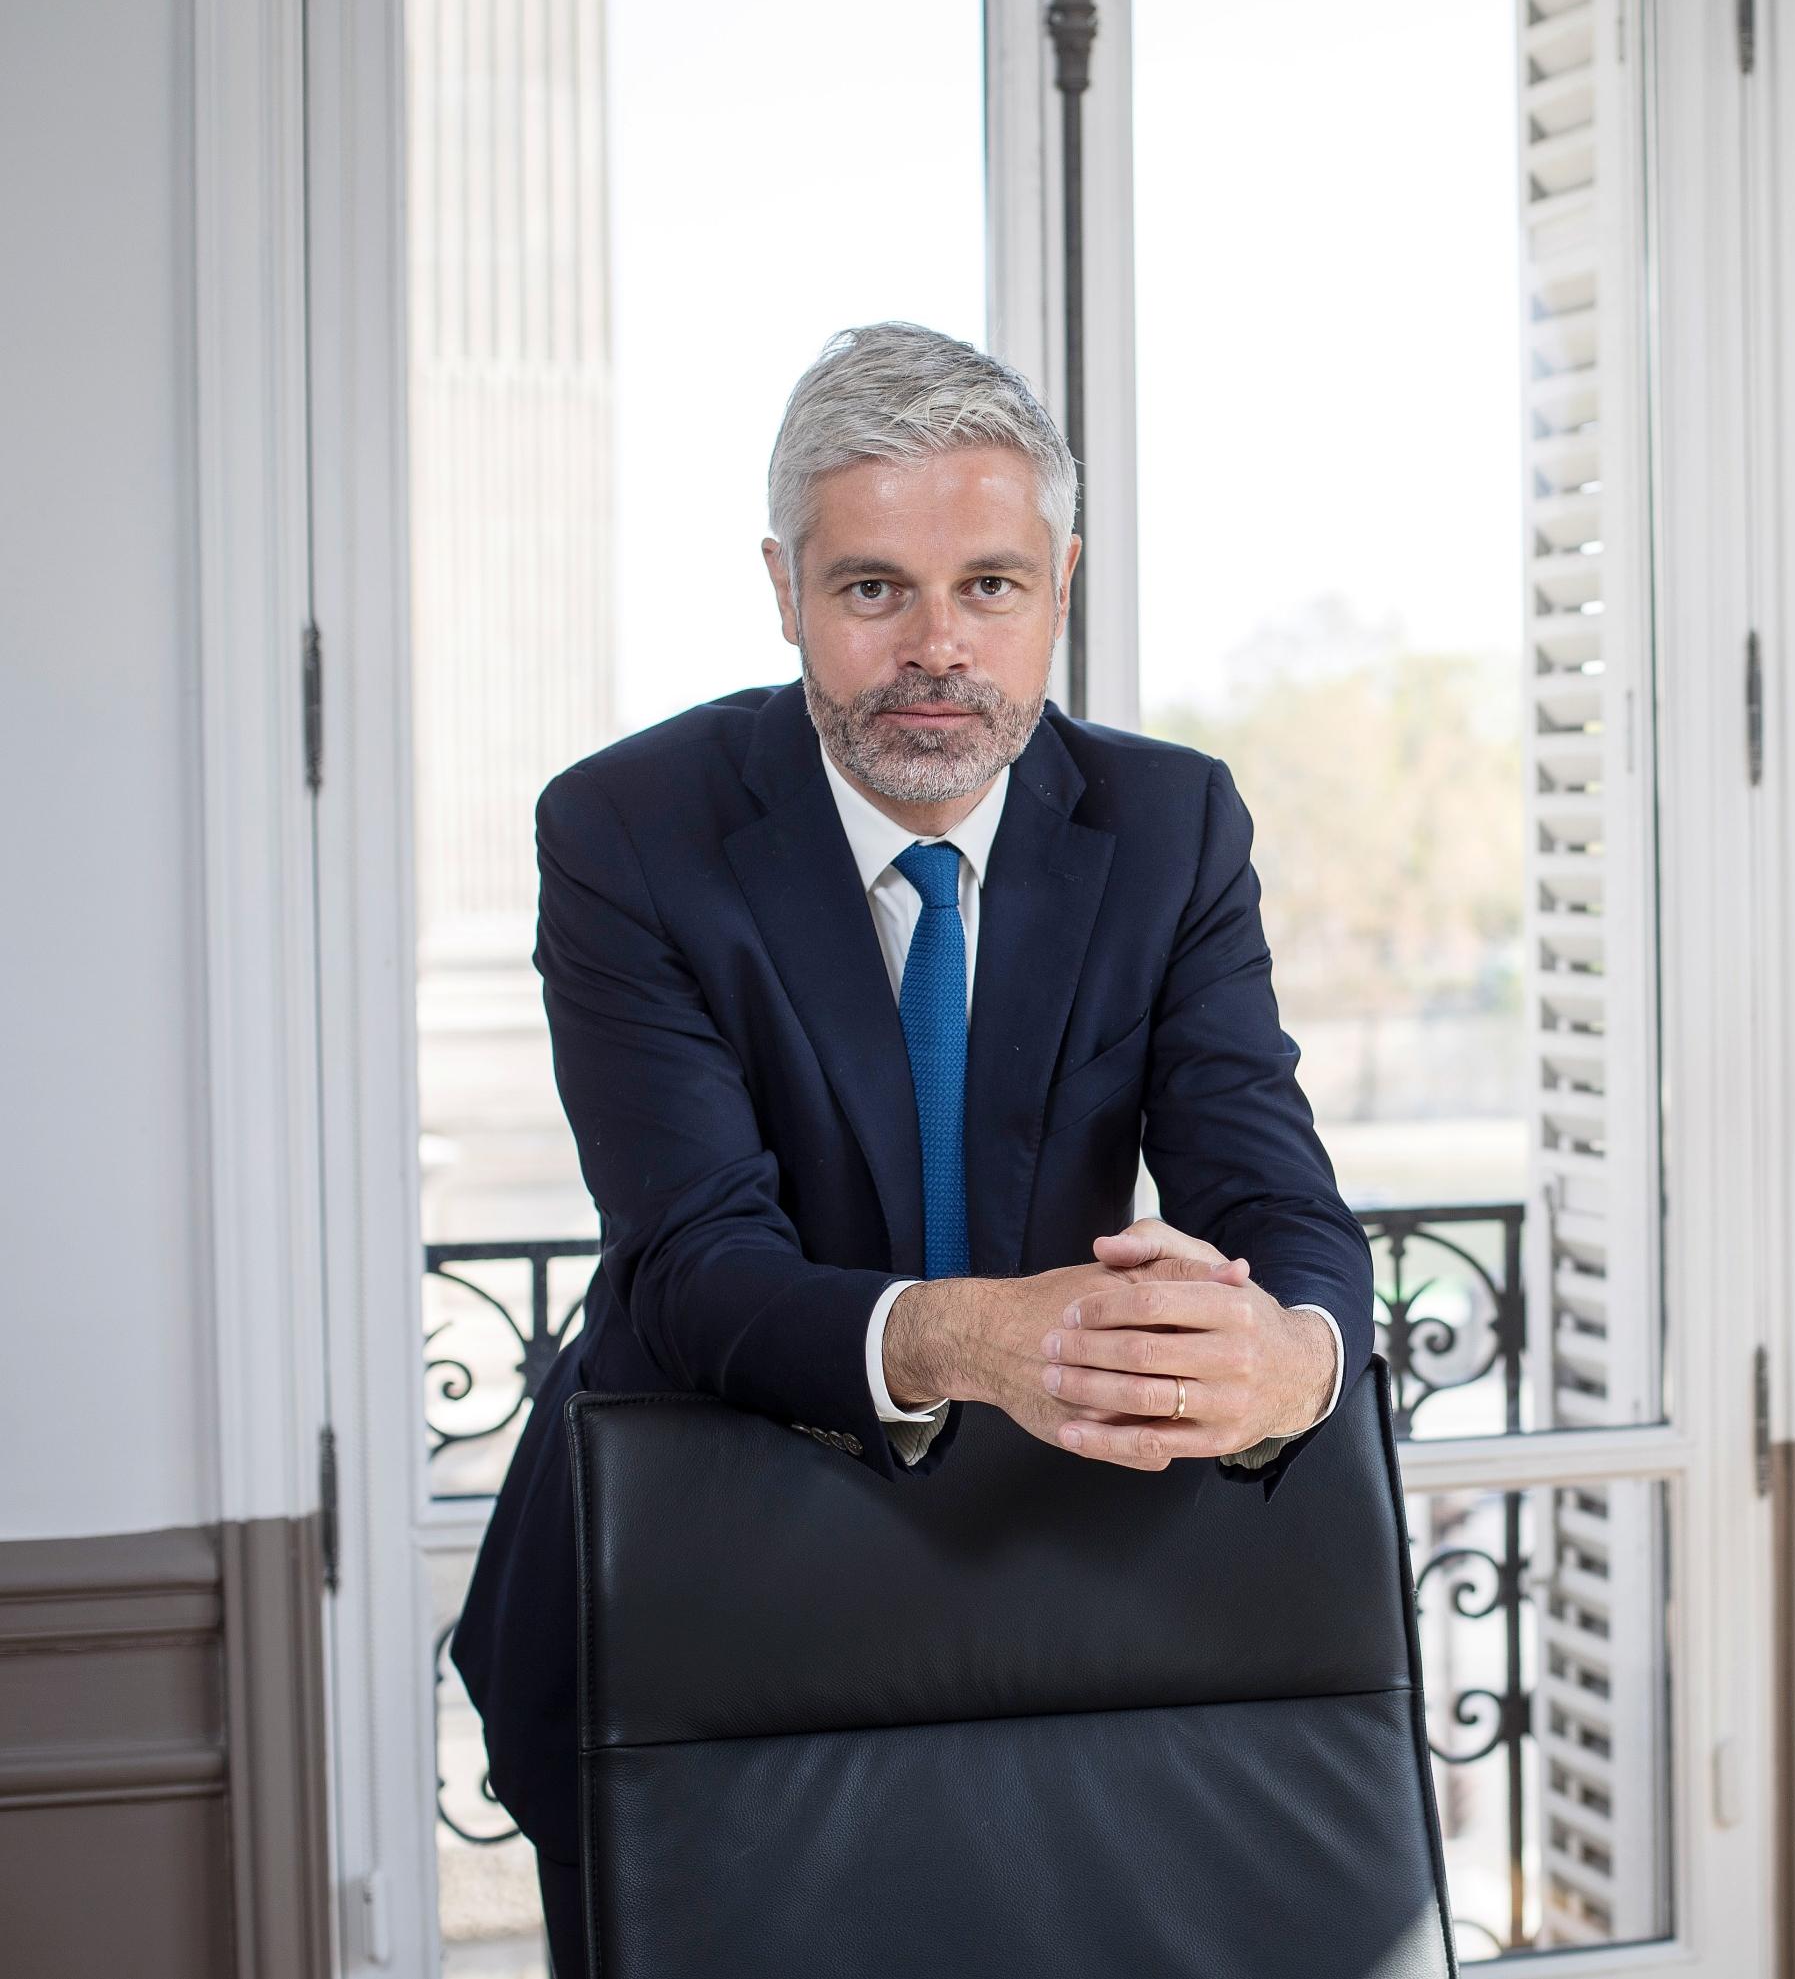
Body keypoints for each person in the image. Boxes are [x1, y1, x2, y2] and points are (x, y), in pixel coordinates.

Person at [448, 322, 1374, 1973]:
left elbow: (1276, 1196)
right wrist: (960, 1337)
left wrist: (1294, 1363)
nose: (936, 649)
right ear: (785, 586)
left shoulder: (1172, 829)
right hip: (681, 1593)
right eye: (874, 589)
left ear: (1062, 587)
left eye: (992, 588)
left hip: (1038, 1604)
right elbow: (691, 1267)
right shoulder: (628, 832)